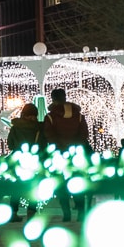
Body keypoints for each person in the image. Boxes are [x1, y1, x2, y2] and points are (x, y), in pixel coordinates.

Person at [42, 88, 91, 222]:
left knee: (61, 185)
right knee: (78, 182)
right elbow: (84, 134)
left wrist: (60, 147)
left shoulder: (50, 117)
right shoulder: (78, 116)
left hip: (59, 155)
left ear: (53, 99)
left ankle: (66, 213)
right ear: (65, 97)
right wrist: (74, 146)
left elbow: (48, 135)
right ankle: (81, 212)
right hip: (76, 155)